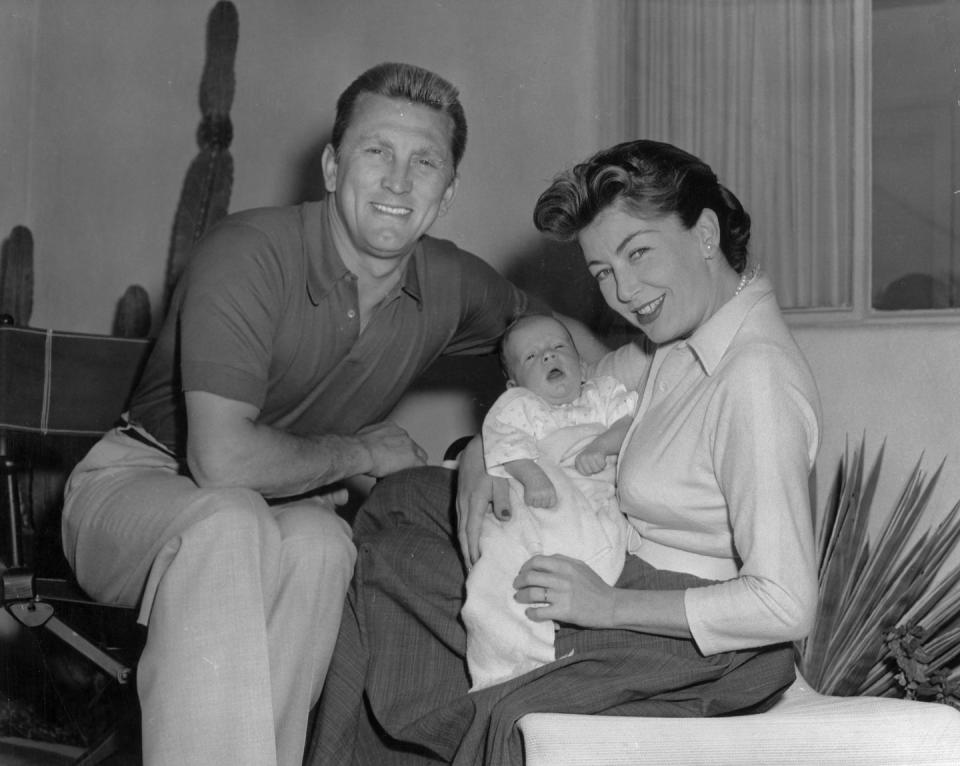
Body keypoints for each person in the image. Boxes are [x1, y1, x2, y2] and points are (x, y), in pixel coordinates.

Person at [60, 62, 603, 766]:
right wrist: (363, 454)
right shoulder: (248, 252)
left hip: (280, 515)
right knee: (232, 521)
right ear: (330, 165)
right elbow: (220, 463)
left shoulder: (448, 280)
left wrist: (494, 448)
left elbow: (571, 347)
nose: (399, 182)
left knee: (324, 547)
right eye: (377, 151)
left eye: (425, 161)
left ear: (447, 191)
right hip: (133, 487)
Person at [308, 139, 822, 766]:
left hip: (702, 647)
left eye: (638, 253)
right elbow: (568, 398)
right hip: (611, 567)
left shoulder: (753, 377)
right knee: (401, 505)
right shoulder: (684, 336)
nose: (624, 293)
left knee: (433, 626)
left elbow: (785, 603)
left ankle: (466, 722)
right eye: (603, 271)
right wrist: (480, 457)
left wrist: (605, 606)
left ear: (706, 232)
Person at [462, 313, 637, 690]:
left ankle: (561, 639)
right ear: (514, 383)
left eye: (559, 348)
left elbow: (630, 425)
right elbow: (504, 441)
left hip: (591, 497)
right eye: (532, 357)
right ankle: (509, 660)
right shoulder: (518, 405)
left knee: (600, 548)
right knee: (499, 562)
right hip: (537, 495)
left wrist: (601, 445)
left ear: (582, 364)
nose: (547, 357)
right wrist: (533, 475)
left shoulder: (603, 393)